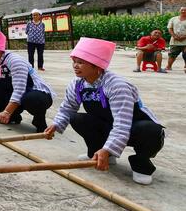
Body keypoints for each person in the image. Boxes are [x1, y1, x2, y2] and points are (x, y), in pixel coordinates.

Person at [44, 37, 165, 185]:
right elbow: (68, 107)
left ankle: (141, 165)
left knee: (150, 130)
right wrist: (55, 125)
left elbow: (122, 123)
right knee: (76, 118)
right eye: (74, 61)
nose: (75, 66)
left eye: (80, 62)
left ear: (97, 66)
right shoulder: (77, 83)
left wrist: (108, 149)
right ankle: (99, 153)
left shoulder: (117, 85)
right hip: (107, 124)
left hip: (133, 127)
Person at [0, 30, 54, 132]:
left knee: (32, 99)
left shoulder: (15, 61)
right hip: (16, 93)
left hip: (34, 92)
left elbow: (19, 89)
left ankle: (39, 121)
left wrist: (7, 112)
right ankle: (13, 117)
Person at [166, 6, 186, 73]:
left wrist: (184, 36)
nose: (183, 11)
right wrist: (174, 36)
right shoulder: (173, 19)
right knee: (172, 54)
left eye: (185, 10)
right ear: (179, 11)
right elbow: (170, 28)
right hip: (175, 40)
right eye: (182, 10)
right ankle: (169, 66)